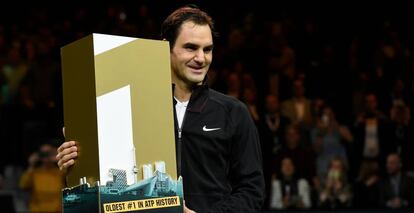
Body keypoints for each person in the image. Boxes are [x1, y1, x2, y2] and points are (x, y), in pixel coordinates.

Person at [56, 5, 265, 213]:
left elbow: (252, 192)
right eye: (191, 48)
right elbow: (112, 184)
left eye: (207, 49)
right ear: (166, 48)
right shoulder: (133, 110)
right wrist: (75, 169)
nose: (201, 58)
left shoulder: (233, 112)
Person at [20, 143, 64, 212]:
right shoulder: (34, 172)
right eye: (43, 153)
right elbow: (23, 185)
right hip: (38, 210)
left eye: (48, 153)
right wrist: (31, 165)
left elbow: (68, 183)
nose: (46, 155)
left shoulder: (59, 172)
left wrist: (58, 159)